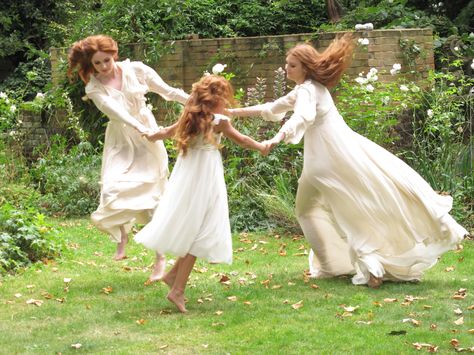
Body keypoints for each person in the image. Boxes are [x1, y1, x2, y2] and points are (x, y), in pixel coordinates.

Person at [228, 33, 468, 288]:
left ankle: (353, 264)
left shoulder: (308, 92)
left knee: (320, 211)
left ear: (306, 68)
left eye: (292, 65)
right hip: (337, 159)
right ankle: (351, 264)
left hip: (322, 162)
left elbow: (302, 117)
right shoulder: (308, 89)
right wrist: (232, 112)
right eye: (287, 64)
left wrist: (275, 139)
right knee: (340, 209)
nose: (286, 68)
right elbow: (271, 108)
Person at [135, 74, 269, 312]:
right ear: (216, 99)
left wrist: (153, 134)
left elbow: (167, 132)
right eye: (224, 98)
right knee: (198, 229)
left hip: (188, 173)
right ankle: (177, 290)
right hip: (206, 174)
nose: (227, 103)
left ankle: (172, 276)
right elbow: (243, 140)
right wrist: (261, 146)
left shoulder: (191, 116)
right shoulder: (219, 121)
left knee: (195, 224)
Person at [67, 35, 189, 282]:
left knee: (152, 199)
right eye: (97, 63)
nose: (103, 66)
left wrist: (196, 101)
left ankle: (160, 258)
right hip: (122, 138)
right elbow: (118, 113)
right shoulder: (94, 86)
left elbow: (167, 92)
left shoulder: (138, 70)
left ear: (115, 54)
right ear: (90, 64)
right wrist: (139, 127)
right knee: (113, 187)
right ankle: (122, 233)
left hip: (148, 137)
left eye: (107, 60)